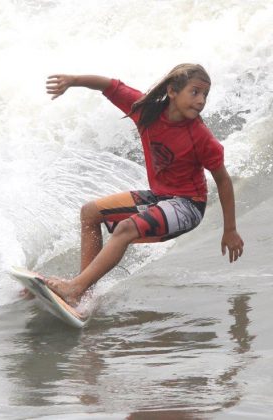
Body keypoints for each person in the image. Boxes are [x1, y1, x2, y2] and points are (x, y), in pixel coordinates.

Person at [42, 64, 244, 307]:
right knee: (90, 213)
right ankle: (83, 291)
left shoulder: (201, 137)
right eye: (195, 92)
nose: (201, 101)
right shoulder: (146, 111)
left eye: (205, 95)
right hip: (160, 197)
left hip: (188, 206)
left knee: (126, 229)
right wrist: (73, 79)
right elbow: (110, 85)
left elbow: (223, 180)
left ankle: (76, 287)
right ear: (172, 91)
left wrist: (230, 230)